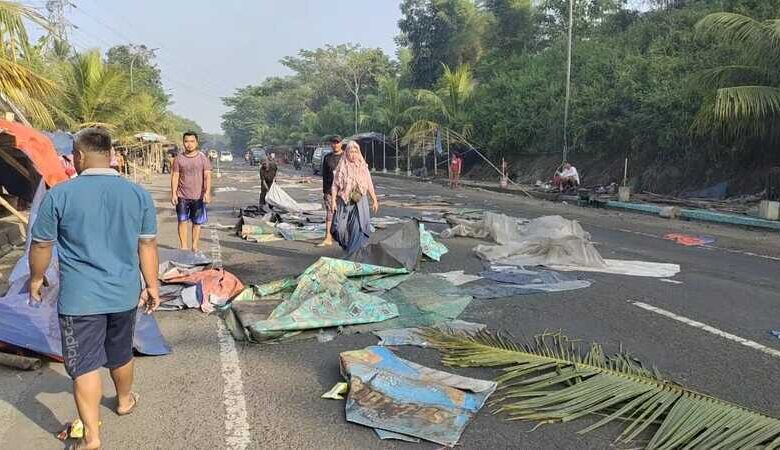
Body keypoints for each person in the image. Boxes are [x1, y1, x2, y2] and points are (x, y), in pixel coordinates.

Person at [28, 128, 160, 450]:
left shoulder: (60, 194)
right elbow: (148, 245)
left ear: (80, 156)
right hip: (124, 294)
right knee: (120, 351)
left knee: (85, 364)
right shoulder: (137, 194)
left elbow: (42, 244)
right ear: (111, 154)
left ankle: (92, 437)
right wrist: (152, 285)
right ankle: (125, 400)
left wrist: (35, 278)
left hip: (80, 300)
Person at [330, 140, 379, 255]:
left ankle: (353, 252)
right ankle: (347, 245)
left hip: (360, 200)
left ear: (358, 153)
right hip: (344, 200)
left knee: (359, 228)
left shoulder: (363, 166)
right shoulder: (342, 166)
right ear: (346, 153)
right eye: (350, 152)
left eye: (355, 152)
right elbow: (334, 185)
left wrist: (374, 200)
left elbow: (369, 184)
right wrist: (333, 201)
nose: (353, 154)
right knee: (338, 228)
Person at [171, 131, 212, 252]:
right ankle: (183, 246)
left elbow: (207, 176)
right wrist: (173, 193)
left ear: (197, 143)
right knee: (182, 220)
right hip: (182, 196)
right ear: (183, 143)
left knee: (197, 222)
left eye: (192, 141)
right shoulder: (178, 159)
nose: (189, 144)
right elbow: (175, 176)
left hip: (198, 196)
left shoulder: (203, 159)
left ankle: (194, 246)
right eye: (186, 141)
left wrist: (207, 192)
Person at [318, 135, 344, 247]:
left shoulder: (346, 156)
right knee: (330, 212)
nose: (335, 144)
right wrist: (325, 191)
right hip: (329, 190)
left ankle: (343, 236)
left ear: (341, 143)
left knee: (343, 213)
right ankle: (328, 236)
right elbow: (325, 175)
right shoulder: (327, 157)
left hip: (343, 190)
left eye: (337, 142)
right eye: (333, 142)